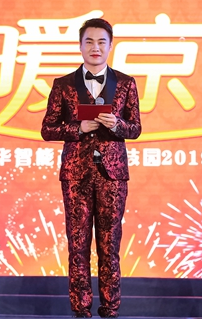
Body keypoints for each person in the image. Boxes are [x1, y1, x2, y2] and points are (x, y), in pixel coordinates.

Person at [41, 18, 141, 319]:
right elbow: (47, 129)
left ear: (110, 45)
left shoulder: (126, 83)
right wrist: (78, 127)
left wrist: (117, 124)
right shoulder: (63, 84)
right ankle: (81, 309)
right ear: (80, 45)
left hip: (113, 175)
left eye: (101, 42)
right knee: (78, 244)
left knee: (110, 244)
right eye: (89, 42)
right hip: (76, 175)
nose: (95, 48)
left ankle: (110, 309)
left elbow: (135, 128)